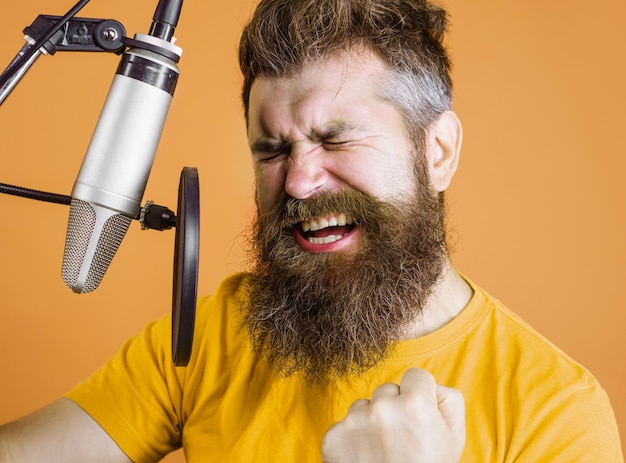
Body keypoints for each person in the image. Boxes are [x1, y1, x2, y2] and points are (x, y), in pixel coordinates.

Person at [0, 0, 623, 461]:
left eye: (336, 138)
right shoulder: (210, 338)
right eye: (271, 150)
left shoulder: (557, 414)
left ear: (436, 151)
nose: (297, 182)